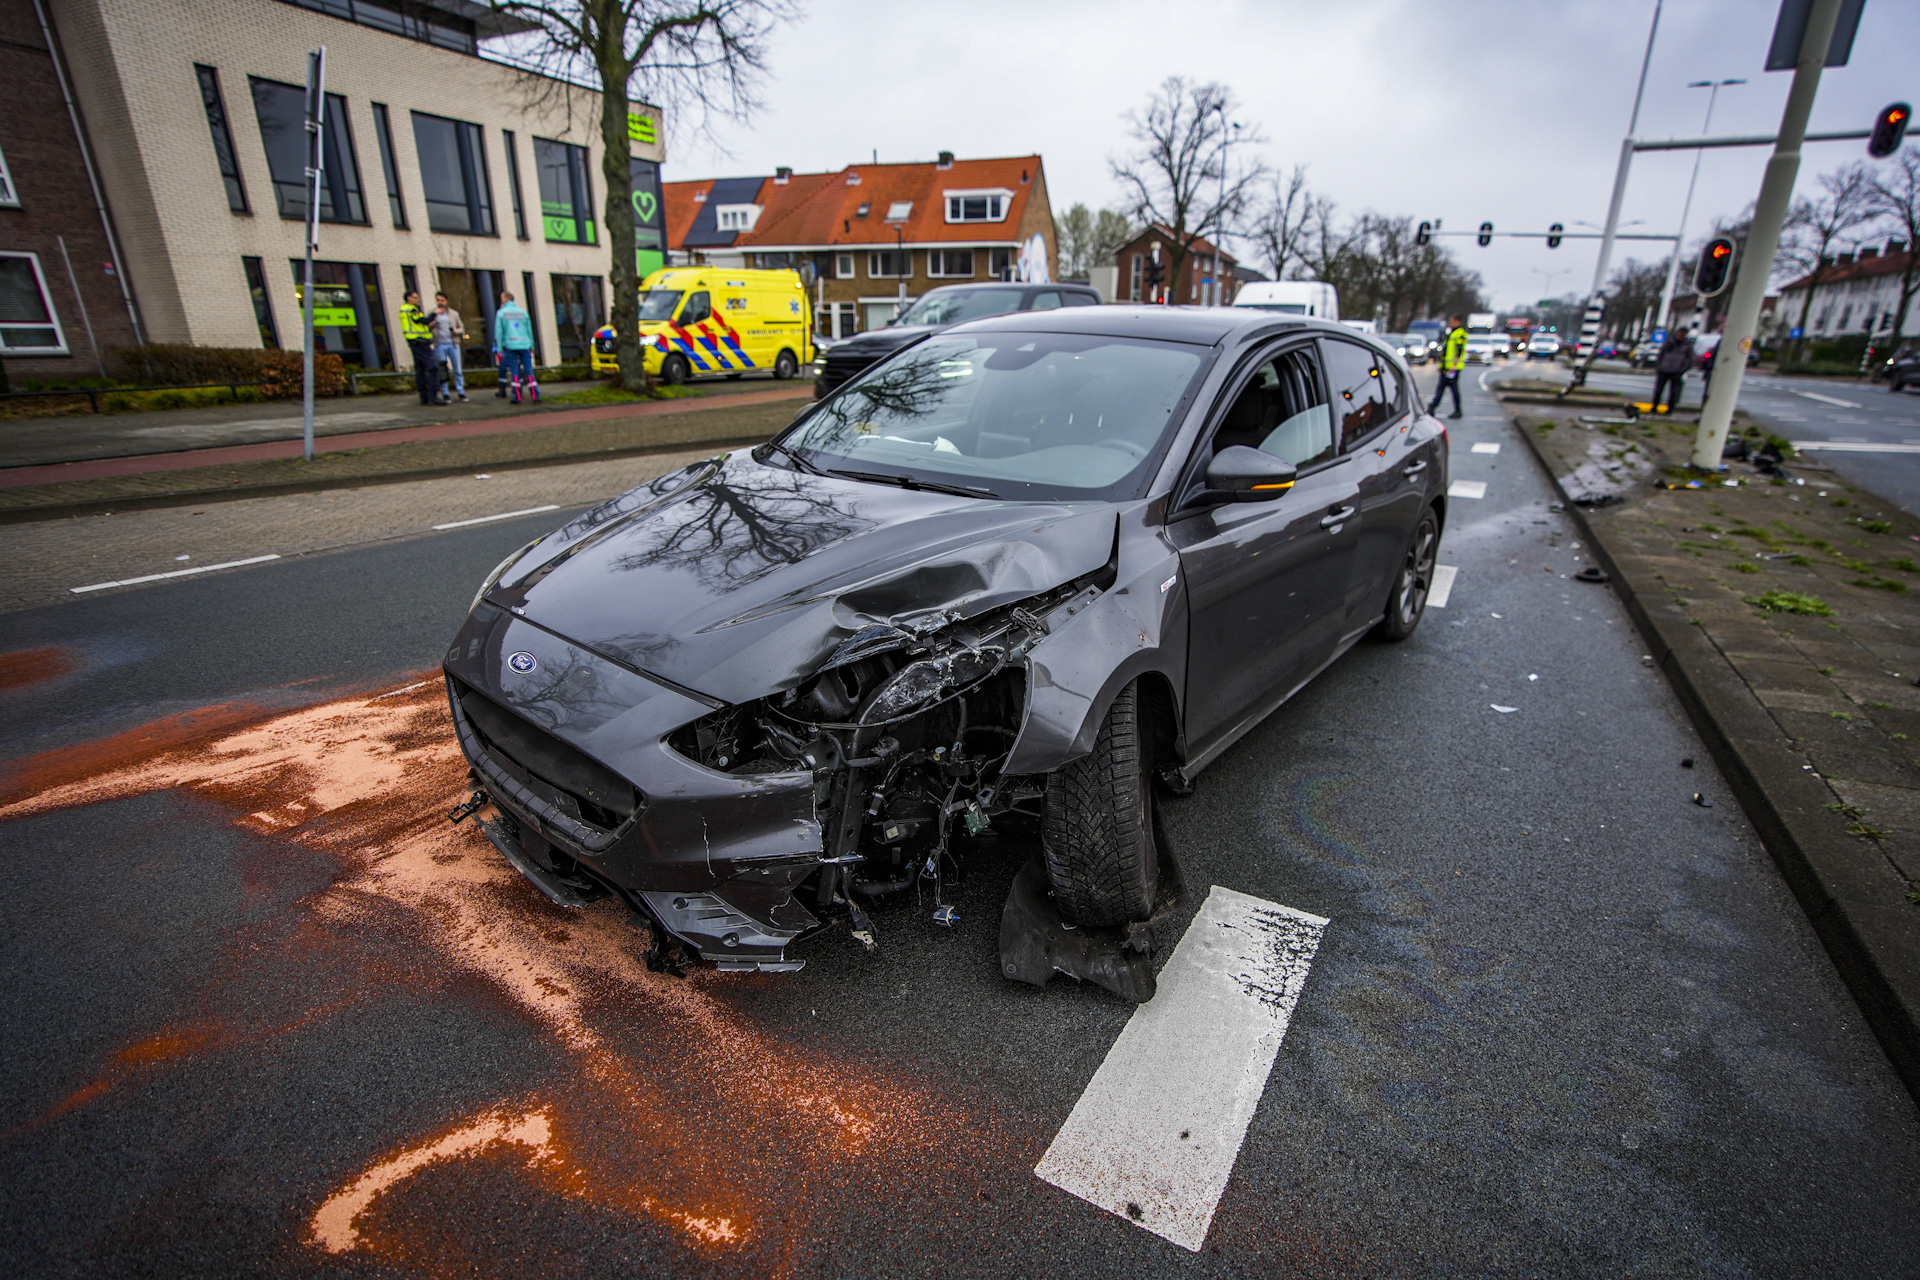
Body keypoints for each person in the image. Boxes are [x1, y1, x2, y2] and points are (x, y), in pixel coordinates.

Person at [492, 290, 537, 404]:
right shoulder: (523, 312)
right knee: (528, 370)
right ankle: (535, 395)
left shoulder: (501, 313)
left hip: (510, 345)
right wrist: (531, 344)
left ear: (504, 299)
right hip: (524, 344)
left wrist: (500, 348)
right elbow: (529, 330)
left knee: (515, 371)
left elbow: (499, 332)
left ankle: (517, 396)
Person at [399, 290, 440, 406]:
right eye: (415, 297)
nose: (418, 299)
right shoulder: (412, 309)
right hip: (420, 343)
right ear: (408, 298)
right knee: (433, 368)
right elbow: (423, 320)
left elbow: (420, 325)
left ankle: (424, 398)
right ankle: (433, 396)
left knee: (421, 370)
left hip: (415, 343)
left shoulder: (404, 309)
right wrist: (434, 314)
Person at [1426, 314, 1467, 419]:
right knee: (1441, 388)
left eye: (1452, 321)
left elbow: (1459, 350)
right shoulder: (1451, 334)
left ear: (1458, 322)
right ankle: (1433, 408)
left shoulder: (1460, 334)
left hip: (1452, 368)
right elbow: (1445, 352)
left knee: (1451, 390)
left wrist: (1454, 365)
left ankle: (1455, 410)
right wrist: (1441, 365)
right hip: (1446, 367)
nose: (1450, 323)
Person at [430, 291, 467, 402]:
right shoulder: (432, 313)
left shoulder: (453, 314)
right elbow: (427, 327)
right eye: (438, 300)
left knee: (458, 369)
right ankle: (445, 393)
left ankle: (461, 392)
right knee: (442, 370)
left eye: (442, 300)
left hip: (453, 344)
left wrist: (457, 331)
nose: (440, 302)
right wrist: (433, 322)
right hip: (439, 344)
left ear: (446, 301)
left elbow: (463, 330)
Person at [1652, 326, 1696, 414]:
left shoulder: (1687, 345)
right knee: (1658, 390)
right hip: (1664, 369)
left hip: (1676, 371)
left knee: (1673, 392)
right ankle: (1654, 408)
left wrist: (1682, 369)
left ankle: (1670, 410)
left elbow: (1690, 359)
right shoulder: (1669, 342)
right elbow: (1661, 354)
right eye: (1680, 333)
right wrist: (1659, 366)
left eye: (1684, 334)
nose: (1681, 335)